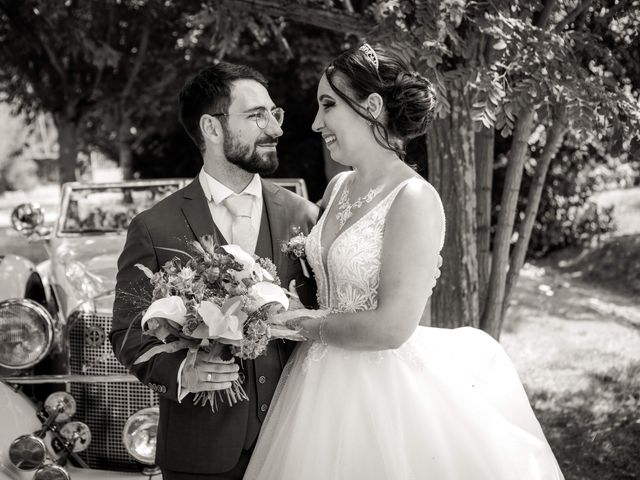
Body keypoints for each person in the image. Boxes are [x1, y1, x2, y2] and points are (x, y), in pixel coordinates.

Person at [243, 44, 564, 480]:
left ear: (371, 106)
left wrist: (300, 324)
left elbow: (392, 327)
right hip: (313, 383)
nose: (317, 123)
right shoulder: (337, 188)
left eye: (328, 105)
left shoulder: (413, 199)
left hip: (381, 393)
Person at [110, 62, 319, 479]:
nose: (275, 129)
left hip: (298, 440)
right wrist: (182, 371)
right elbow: (128, 332)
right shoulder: (154, 227)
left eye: (274, 113)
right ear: (212, 127)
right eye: (256, 115)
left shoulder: (305, 217)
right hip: (200, 452)